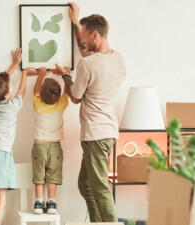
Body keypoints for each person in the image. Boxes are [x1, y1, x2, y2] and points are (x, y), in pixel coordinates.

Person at [54, 2, 127, 222]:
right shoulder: (118, 59)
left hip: (95, 134)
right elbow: (89, 58)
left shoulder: (88, 65)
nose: (82, 40)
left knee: (99, 188)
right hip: (108, 131)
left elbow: (75, 97)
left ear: (95, 35)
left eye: (85, 36)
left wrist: (66, 76)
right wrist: (76, 22)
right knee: (85, 185)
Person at [0, 48, 36, 225]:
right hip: (1, 154)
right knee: (1, 200)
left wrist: (13, 65)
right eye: (9, 87)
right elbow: (22, 91)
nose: (11, 85)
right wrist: (24, 74)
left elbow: (1, 82)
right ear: (6, 95)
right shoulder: (12, 106)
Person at [31, 66, 71, 214]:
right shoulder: (61, 104)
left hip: (39, 145)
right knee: (52, 176)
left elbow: (35, 90)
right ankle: (52, 203)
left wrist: (40, 75)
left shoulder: (38, 105)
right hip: (55, 147)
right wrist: (66, 75)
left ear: (41, 96)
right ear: (58, 96)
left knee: (39, 175)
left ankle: (39, 203)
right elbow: (67, 92)